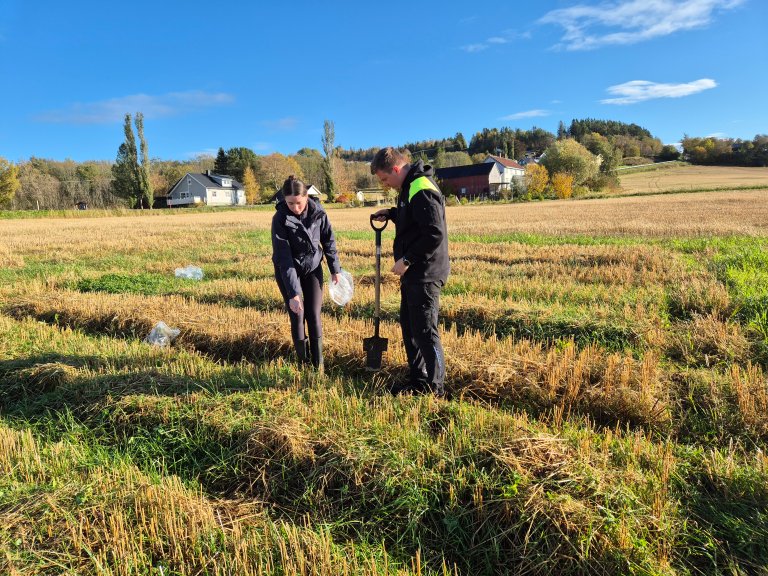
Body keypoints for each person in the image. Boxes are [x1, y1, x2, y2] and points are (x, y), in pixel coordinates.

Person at [371, 147, 449, 397]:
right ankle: (418, 379)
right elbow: (415, 220)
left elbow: (434, 233)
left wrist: (407, 259)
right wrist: (393, 214)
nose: (385, 185)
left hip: (425, 272)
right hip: (414, 274)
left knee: (426, 331)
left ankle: (436, 388)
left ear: (396, 169)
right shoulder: (409, 186)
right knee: (410, 326)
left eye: (384, 179)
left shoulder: (421, 187)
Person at [272, 175, 341, 370]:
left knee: (313, 313)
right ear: (284, 200)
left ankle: (318, 366)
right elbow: (284, 258)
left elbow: (328, 240)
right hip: (289, 269)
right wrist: (293, 293)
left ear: (306, 197)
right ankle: (303, 366)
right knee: (297, 314)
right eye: (290, 203)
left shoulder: (319, 212)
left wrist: (335, 269)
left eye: (299, 203)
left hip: (312, 268)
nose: (295, 208)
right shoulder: (279, 219)